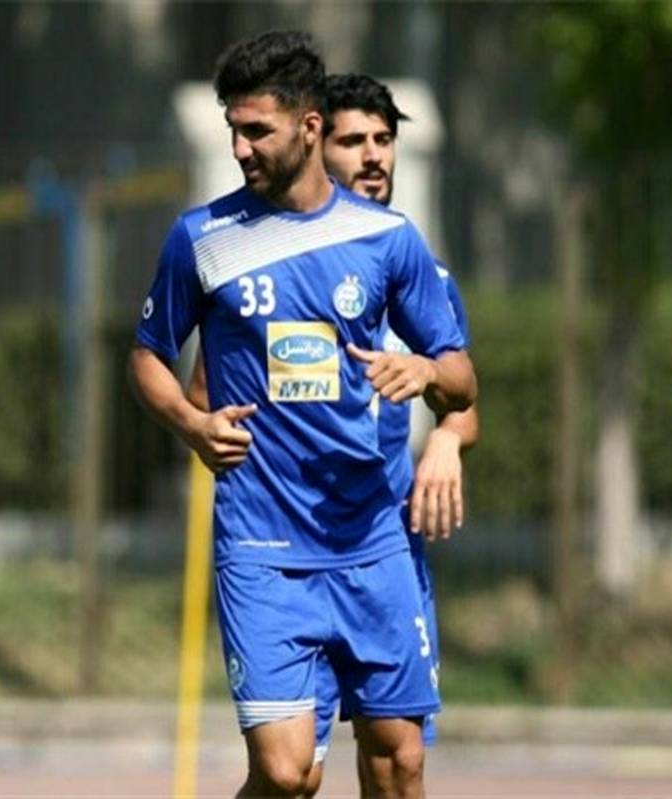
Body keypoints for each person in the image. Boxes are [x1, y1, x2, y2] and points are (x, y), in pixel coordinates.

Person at [129, 31, 476, 797]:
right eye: (233, 130)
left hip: (373, 542)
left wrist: (425, 372)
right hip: (263, 546)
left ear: (308, 126)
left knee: (399, 761)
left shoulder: (387, 240)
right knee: (289, 774)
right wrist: (191, 424)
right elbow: (148, 357)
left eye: (257, 130)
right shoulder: (202, 240)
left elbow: (461, 377)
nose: (240, 148)